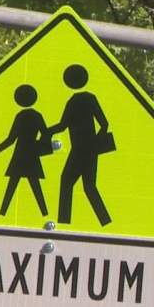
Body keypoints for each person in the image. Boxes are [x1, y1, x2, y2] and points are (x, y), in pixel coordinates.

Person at [47, 64, 113, 226]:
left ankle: (64, 222)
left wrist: (47, 132)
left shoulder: (74, 101)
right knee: (88, 186)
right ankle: (105, 222)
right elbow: (104, 124)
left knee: (68, 182)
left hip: (80, 150)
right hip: (88, 150)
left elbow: (63, 125)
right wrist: (95, 143)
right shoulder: (89, 98)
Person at [0, 84, 51, 216]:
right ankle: (44, 213)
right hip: (31, 152)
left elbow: (11, 138)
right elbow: (46, 133)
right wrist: (40, 146)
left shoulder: (20, 116)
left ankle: (2, 213)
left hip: (21, 152)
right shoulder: (37, 115)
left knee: (13, 183)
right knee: (34, 184)